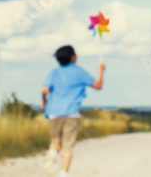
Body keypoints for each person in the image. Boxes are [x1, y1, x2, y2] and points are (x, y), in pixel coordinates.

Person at [41, 45, 105, 176]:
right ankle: (63, 173)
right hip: (71, 113)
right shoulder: (78, 71)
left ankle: (52, 154)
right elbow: (98, 86)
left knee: (54, 142)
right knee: (67, 145)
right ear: (72, 57)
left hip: (53, 112)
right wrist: (101, 71)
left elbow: (44, 90)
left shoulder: (54, 72)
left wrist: (44, 102)